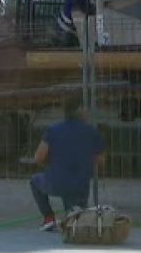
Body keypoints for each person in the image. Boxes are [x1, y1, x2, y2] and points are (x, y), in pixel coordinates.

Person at [30, 97, 105, 232]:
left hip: (56, 181)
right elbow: (100, 160)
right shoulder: (92, 132)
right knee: (76, 216)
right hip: (80, 185)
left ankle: (49, 218)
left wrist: (51, 165)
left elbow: (38, 157)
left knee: (35, 181)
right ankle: (74, 218)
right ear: (81, 111)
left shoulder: (53, 130)